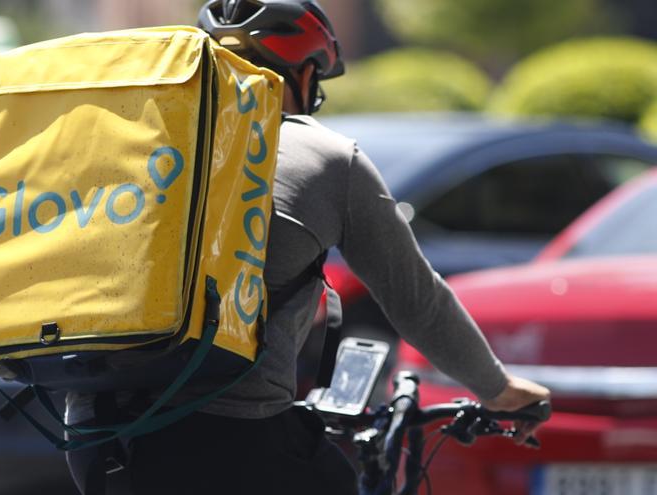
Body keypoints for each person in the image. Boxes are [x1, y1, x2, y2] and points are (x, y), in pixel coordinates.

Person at [66, 1, 551, 493]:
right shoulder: (324, 157)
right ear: (301, 73)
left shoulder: (139, 140)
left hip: (94, 429)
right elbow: (415, 298)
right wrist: (498, 388)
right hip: (232, 434)